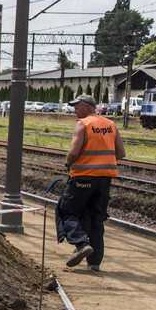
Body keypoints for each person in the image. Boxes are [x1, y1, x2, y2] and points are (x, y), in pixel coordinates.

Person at [57, 93, 126, 271]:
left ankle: (80, 244)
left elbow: (73, 151)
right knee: (97, 217)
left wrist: (68, 163)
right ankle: (94, 262)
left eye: (77, 107)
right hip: (105, 179)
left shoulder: (83, 124)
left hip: (83, 176)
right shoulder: (110, 124)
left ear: (87, 107)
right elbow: (121, 152)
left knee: (66, 211)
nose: (74, 110)